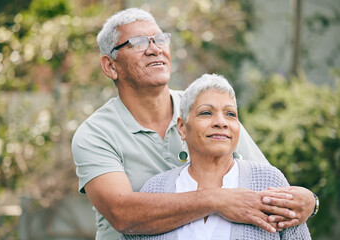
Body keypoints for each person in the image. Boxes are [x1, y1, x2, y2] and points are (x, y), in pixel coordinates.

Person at [71, 8, 317, 240]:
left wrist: (309, 200)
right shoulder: (95, 135)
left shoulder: (207, 111)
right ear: (111, 66)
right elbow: (122, 214)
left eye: (159, 39)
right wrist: (217, 200)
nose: (154, 49)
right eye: (138, 43)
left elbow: (264, 183)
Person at [121, 73, 311, 240]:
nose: (221, 122)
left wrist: (313, 202)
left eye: (230, 114)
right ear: (182, 127)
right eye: (206, 113)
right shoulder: (155, 189)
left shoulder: (268, 182)